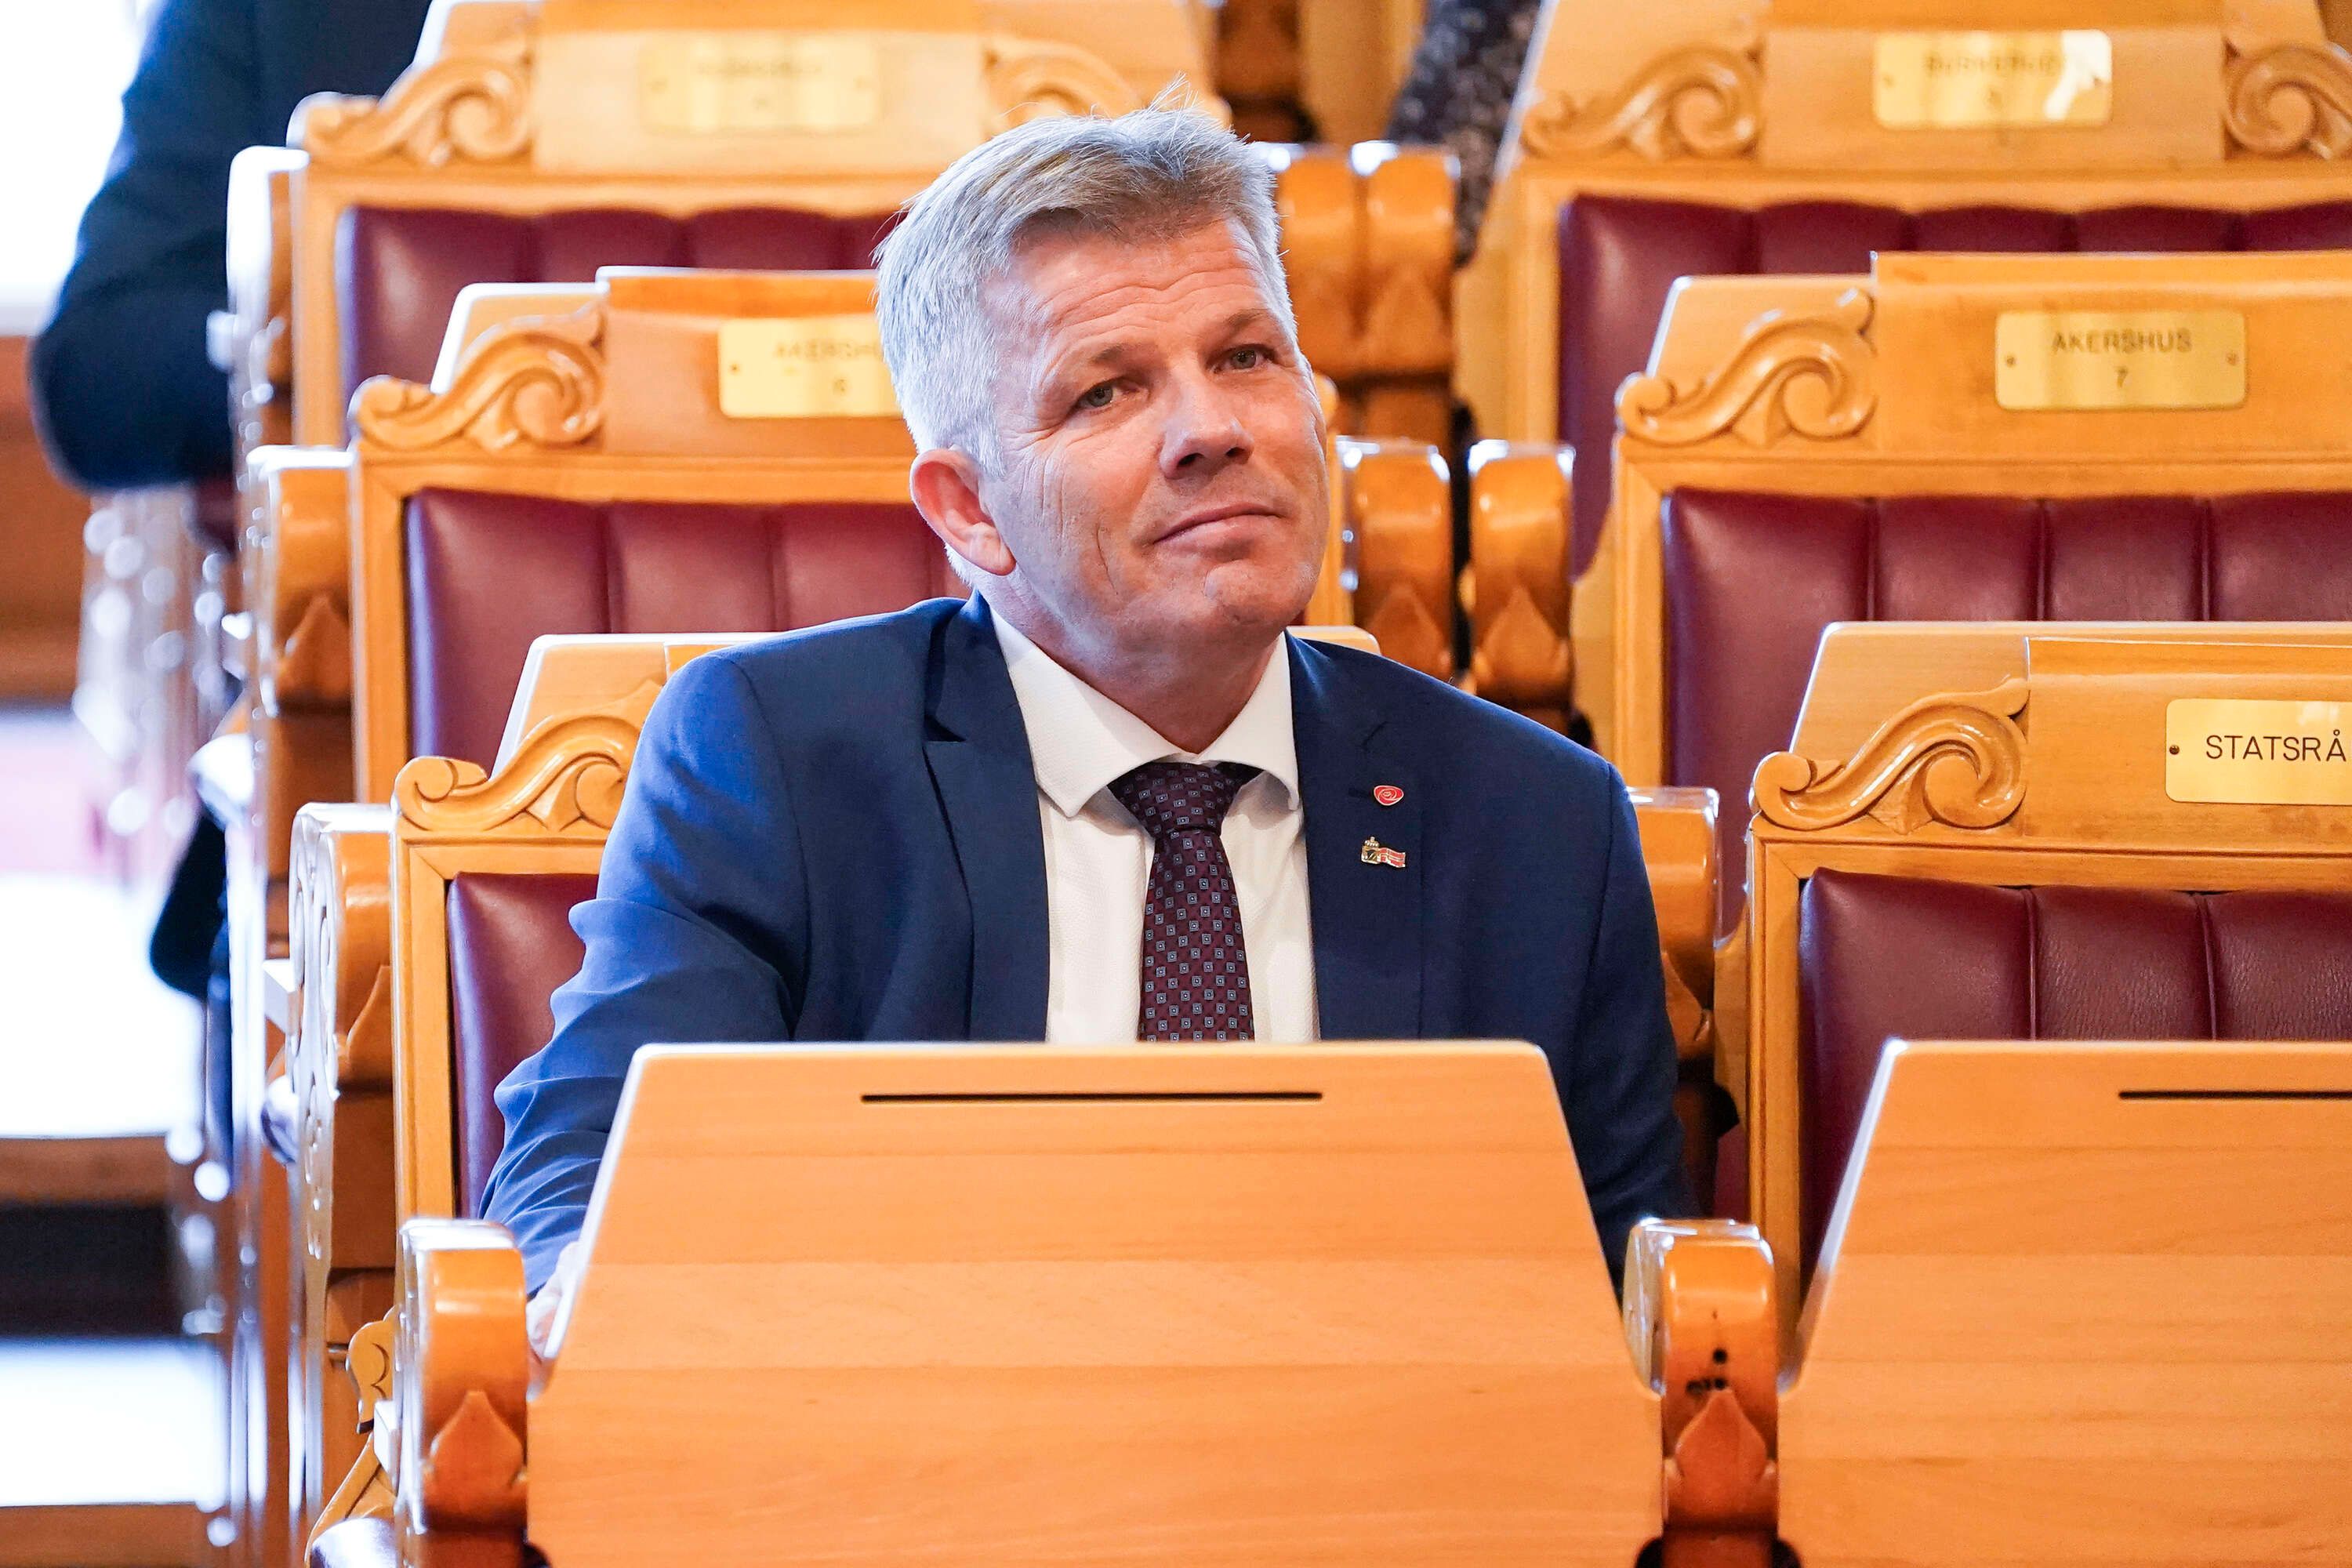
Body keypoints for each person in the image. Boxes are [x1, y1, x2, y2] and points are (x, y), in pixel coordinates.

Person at [483, 108, 1687, 1334]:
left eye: (1246, 357)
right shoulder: (781, 764)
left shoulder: (1537, 822)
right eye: (1106, 391)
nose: (1211, 430)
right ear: (969, 511)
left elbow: (1625, 1316)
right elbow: (585, 1176)